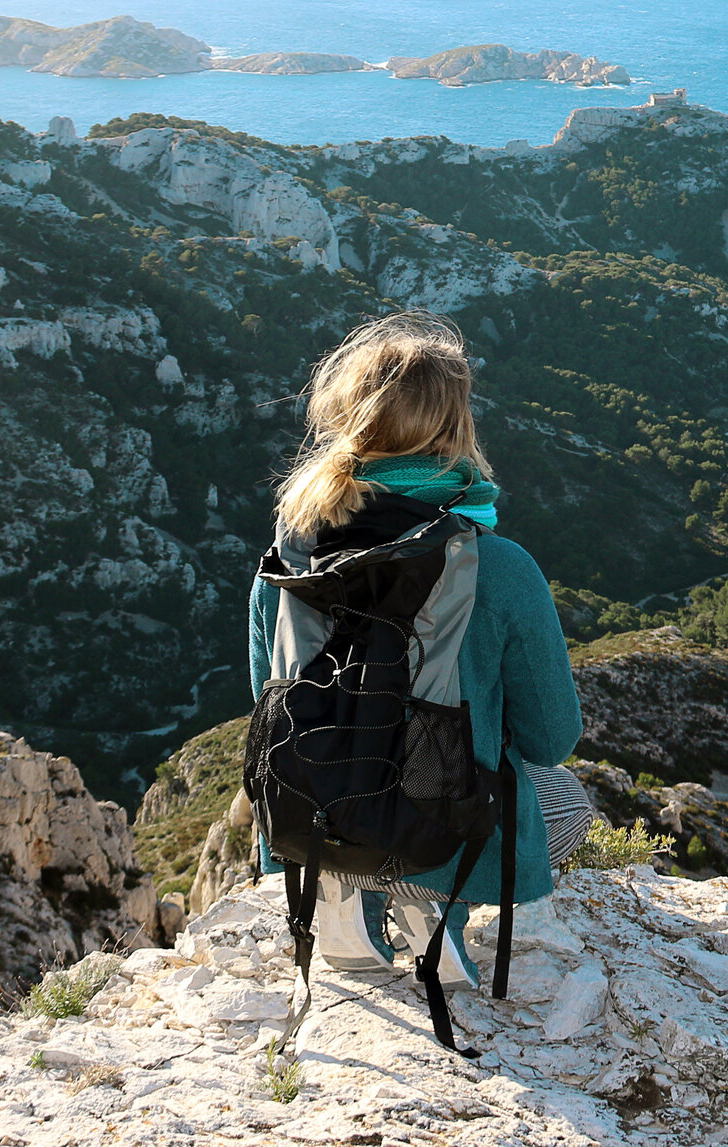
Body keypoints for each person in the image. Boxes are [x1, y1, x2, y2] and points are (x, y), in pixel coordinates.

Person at [247, 310, 588, 987]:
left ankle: (347, 887)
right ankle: (432, 895)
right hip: (444, 817)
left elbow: (266, 701)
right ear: (456, 428)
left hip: (309, 817)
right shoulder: (501, 564)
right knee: (570, 800)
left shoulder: (283, 561)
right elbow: (553, 736)